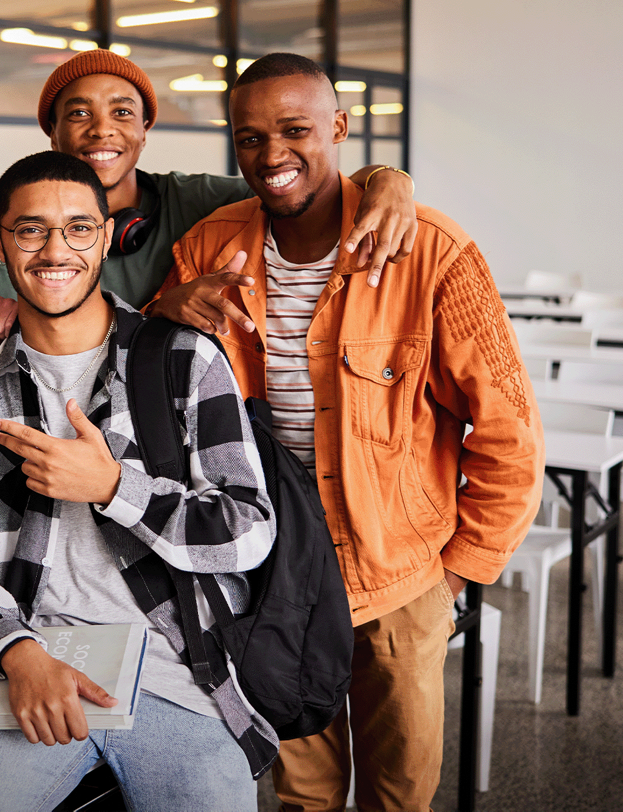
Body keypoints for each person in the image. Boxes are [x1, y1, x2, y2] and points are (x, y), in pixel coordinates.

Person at [149, 53, 544, 811]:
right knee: (302, 793)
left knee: (399, 793)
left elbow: (509, 431)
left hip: (399, 574)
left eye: (295, 130)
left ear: (339, 127)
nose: (271, 156)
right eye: (250, 138)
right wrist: (165, 310)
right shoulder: (208, 246)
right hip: (271, 570)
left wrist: (458, 571)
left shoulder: (430, 249)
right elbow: (160, 383)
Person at [0, 150, 278, 812]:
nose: (57, 250)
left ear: (106, 236)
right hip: (30, 669)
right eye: (31, 229)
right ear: (0, 241)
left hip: (178, 673)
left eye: (80, 228)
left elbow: (248, 529)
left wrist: (116, 488)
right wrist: (16, 653)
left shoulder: (182, 361)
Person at [0, 48, 420, 315]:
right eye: (79, 113)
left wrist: (387, 179)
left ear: (146, 129)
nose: (103, 130)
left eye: (123, 112)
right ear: (53, 133)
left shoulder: (196, 202)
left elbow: (292, 184)